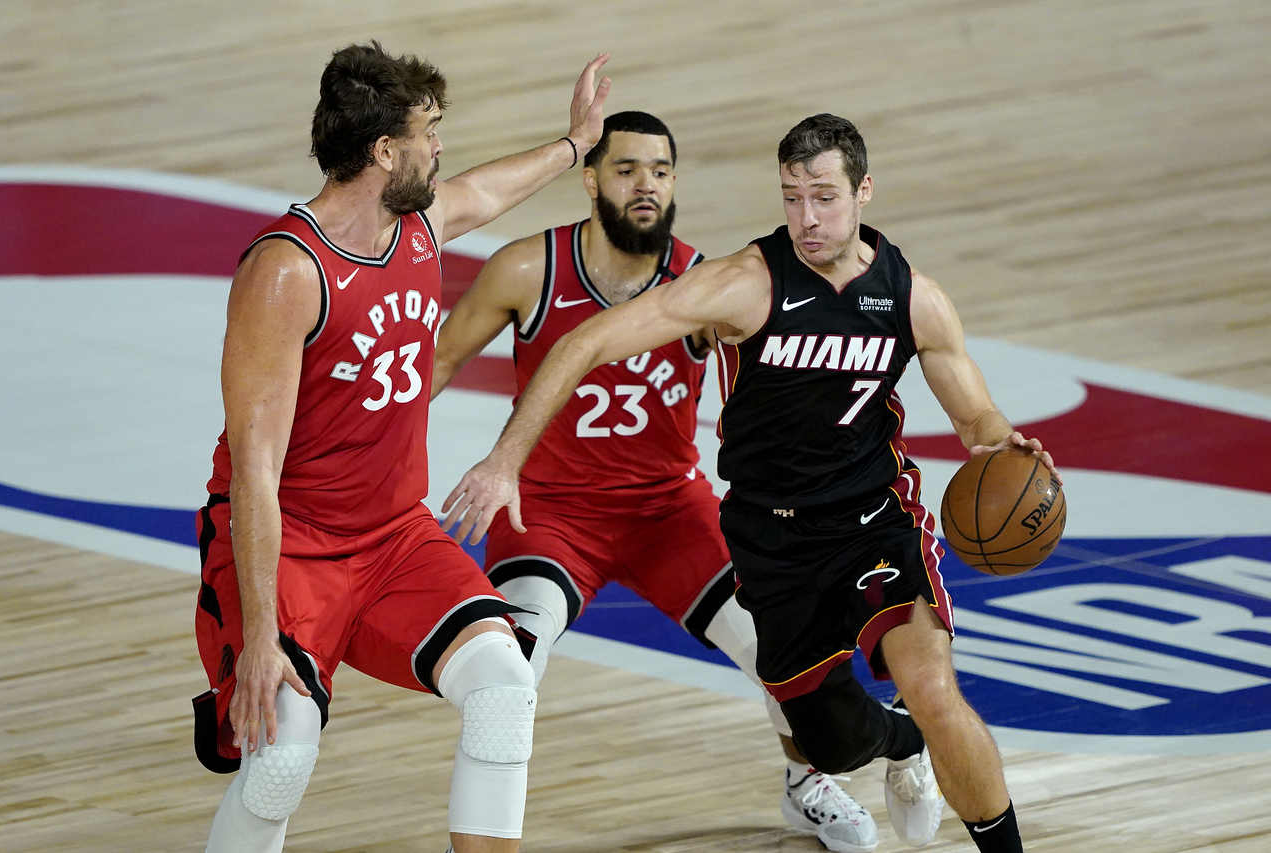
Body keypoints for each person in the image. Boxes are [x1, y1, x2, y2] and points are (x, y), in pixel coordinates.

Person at [442, 113, 1061, 853]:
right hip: (751, 535)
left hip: (855, 518)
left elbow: (976, 415)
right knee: (826, 739)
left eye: (824, 198)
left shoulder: (910, 296)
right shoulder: (738, 283)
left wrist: (1002, 441)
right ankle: (891, 745)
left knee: (931, 686)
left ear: (864, 192)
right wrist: (505, 456)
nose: (807, 217)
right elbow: (584, 341)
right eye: (792, 197)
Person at [189, 41, 611, 853]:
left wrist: (574, 146)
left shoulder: (416, 224)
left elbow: (484, 191)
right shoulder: (288, 272)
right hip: (290, 549)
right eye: (430, 131)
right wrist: (261, 634)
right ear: (384, 151)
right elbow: (255, 473)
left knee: (503, 684)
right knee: (282, 760)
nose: (440, 147)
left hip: (393, 538)